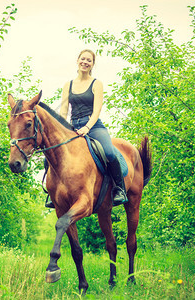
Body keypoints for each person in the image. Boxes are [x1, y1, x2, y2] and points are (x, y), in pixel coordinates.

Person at [45, 49, 128, 208]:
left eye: (89, 60)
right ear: (77, 60)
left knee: (109, 152)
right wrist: (61, 130)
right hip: (71, 126)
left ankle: (119, 189)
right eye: (83, 59)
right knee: (49, 154)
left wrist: (87, 127)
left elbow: (97, 110)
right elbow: (63, 112)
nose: (85, 62)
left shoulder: (96, 83)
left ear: (92, 64)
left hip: (93, 125)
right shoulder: (67, 85)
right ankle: (51, 194)